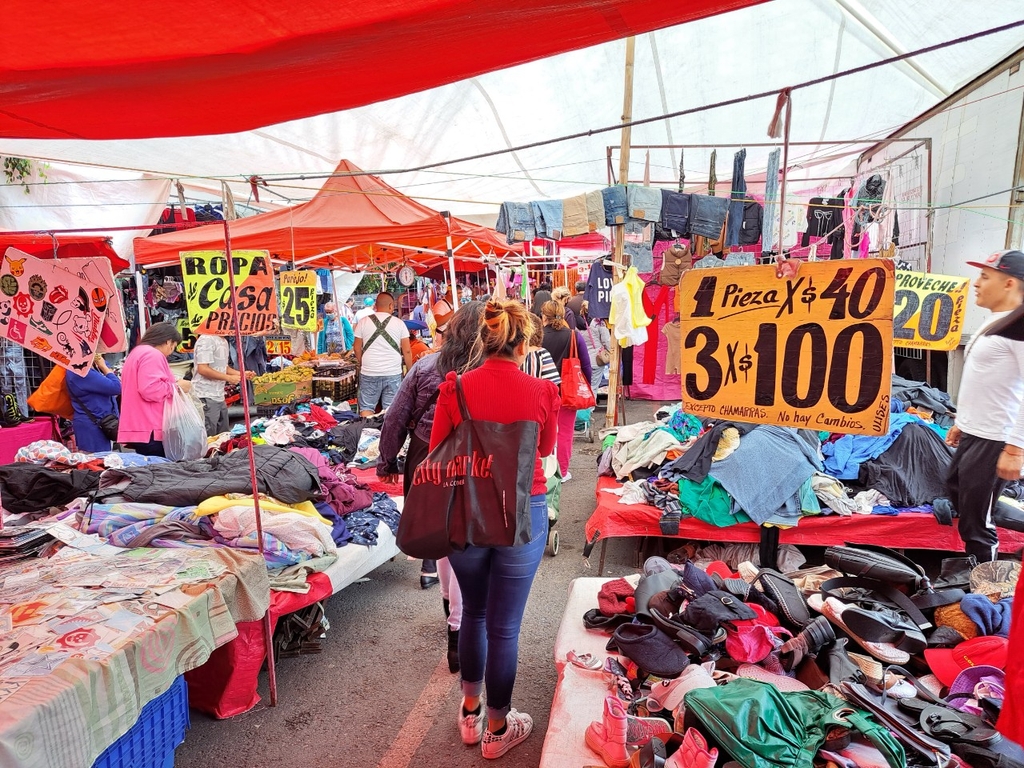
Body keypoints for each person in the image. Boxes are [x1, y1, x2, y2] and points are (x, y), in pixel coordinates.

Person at [430, 299, 559, 758]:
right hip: (523, 512)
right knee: (504, 628)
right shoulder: (543, 392)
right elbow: (545, 449)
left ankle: (469, 713)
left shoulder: (455, 389)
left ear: (485, 341)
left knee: (474, 615)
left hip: (467, 513)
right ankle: (499, 730)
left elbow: (438, 452)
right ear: (523, 344)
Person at [378, 301, 485, 673]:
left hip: (427, 459)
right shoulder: (491, 372)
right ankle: (462, 630)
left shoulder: (425, 366)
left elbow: (395, 418)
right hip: (477, 463)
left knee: (441, 542)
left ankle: (454, 628)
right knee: (468, 543)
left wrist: (387, 461)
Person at [945, 249, 1024, 562]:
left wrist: (1015, 450)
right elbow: (984, 381)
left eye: (985, 276)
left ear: (1009, 284)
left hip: (995, 438)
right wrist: (962, 422)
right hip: (977, 432)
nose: (976, 283)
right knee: (955, 488)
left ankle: (984, 582)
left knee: (976, 521)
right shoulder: (998, 321)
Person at [118, 322, 191, 457]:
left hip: (139, 425)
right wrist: (178, 387)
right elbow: (150, 389)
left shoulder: (137, 352)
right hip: (151, 426)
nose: (171, 352)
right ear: (168, 341)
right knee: (160, 472)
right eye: (173, 347)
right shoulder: (153, 354)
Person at [541, 300, 592, 482]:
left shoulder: (537, 336)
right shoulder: (573, 336)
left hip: (541, 391)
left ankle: (543, 471)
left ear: (543, 316)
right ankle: (562, 471)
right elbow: (586, 365)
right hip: (567, 391)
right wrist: (586, 386)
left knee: (541, 432)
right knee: (564, 433)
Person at [352, 292, 413, 416]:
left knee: (367, 407)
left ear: (375, 305)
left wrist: (363, 363)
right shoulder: (399, 323)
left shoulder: (363, 322)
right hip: (393, 373)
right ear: (391, 306)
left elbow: (357, 348)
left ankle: (366, 432)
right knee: (390, 409)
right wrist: (410, 371)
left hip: (369, 372)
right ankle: (387, 434)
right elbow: (407, 351)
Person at [66, 355, 121, 452]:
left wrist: (102, 365)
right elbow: (116, 387)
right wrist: (103, 367)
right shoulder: (81, 371)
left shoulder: (92, 366)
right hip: (93, 424)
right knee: (97, 461)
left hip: (103, 420)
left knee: (105, 459)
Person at [191, 333, 242, 437]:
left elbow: (224, 367)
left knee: (223, 435)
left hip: (219, 395)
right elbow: (203, 369)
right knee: (209, 435)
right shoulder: (206, 339)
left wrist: (241, 374)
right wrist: (228, 378)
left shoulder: (224, 341)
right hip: (205, 394)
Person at [584, 315, 611, 394]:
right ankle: (590, 406)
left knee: (583, 387)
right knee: (593, 387)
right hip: (596, 358)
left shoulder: (575, 322)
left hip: (582, 358)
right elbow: (606, 341)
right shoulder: (597, 322)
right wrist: (610, 352)